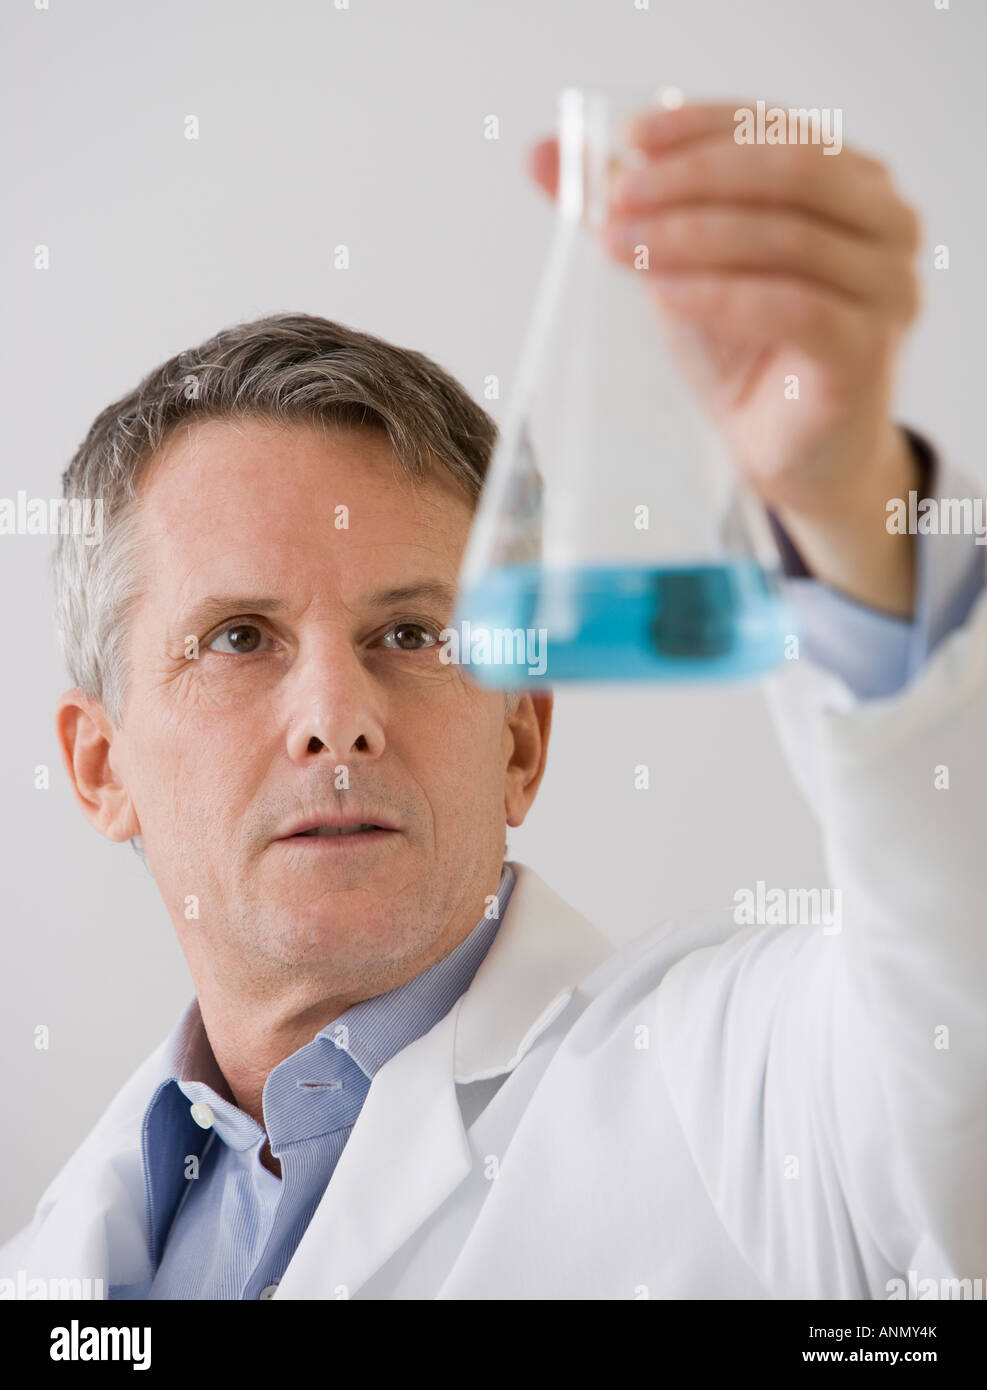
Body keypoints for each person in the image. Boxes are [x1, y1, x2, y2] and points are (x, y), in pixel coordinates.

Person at [2, 101, 984, 1300]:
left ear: (522, 736)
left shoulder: (747, 1096)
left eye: (411, 632)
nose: (337, 716)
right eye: (240, 638)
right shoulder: (58, 1257)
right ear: (99, 766)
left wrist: (859, 525)